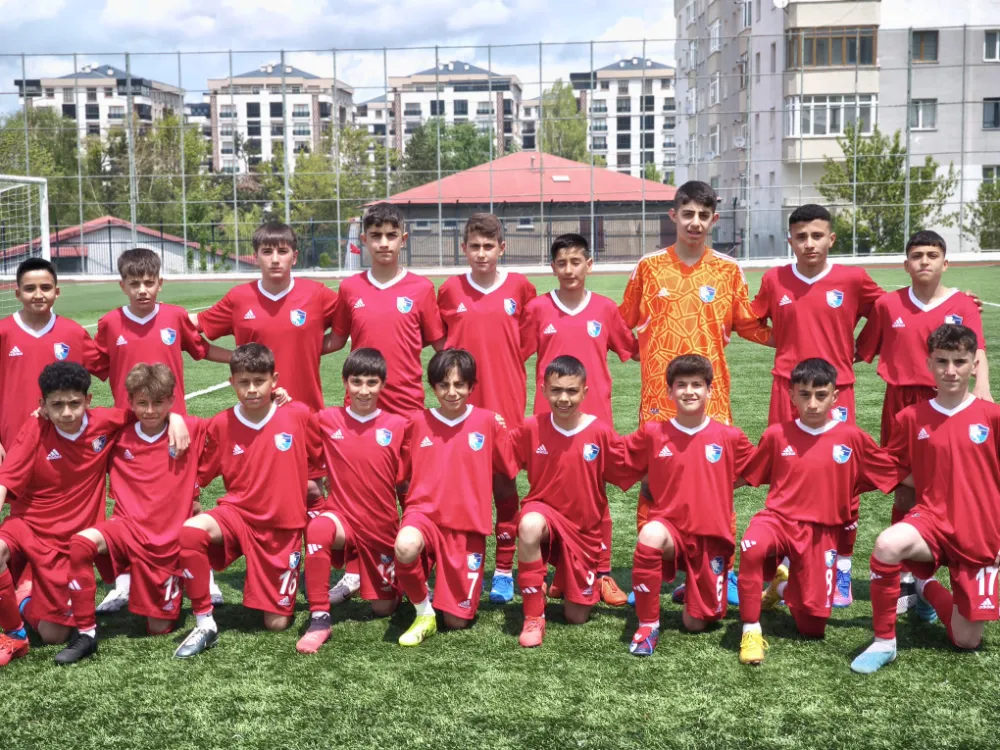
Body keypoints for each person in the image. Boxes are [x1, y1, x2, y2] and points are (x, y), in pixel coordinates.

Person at [620, 180, 772, 603]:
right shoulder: (650, 267)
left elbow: (749, 324)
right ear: (673, 216)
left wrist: (806, 336)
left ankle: (718, 567)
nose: (695, 222)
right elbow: (620, 322)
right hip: (659, 395)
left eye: (703, 215)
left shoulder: (727, 269)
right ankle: (652, 571)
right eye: (687, 214)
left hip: (711, 396)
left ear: (714, 219)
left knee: (715, 482)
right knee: (653, 480)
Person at [0, 361, 188, 666]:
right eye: (57, 405)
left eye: (74, 403)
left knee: (54, 635)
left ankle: (24, 593)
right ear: (43, 406)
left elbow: (145, 411)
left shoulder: (105, 422)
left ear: (88, 400)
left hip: (70, 539)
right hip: (28, 526)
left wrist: (176, 417)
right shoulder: (35, 428)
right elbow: (5, 481)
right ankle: (13, 633)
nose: (67, 413)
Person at [750, 204, 883, 606]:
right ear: (790, 240)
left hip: (835, 390)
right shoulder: (774, 279)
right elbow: (750, 320)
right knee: (785, 474)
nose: (809, 243)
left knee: (843, 480)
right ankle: (786, 564)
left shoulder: (853, 279)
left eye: (817, 235)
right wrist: (780, 341)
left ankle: (841, 566)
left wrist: (862, 349)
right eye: (801, 236)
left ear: (831, 239)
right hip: (786, 387)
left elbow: (887, 310)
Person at [852, 324, 1000, 674]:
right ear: (929, 364)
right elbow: (892, 464)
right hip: (932, 520)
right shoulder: (911, 418)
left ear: (974, 365)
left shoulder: (993, 417)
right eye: (942, 361)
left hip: (981, 532)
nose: (951, 370)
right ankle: (884, 642)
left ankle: (924, 585)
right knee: (887, 544)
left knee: (966, 640)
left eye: (959, 362)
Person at [736, 358, 904, 666]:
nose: (812, 404)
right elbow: (748, 474)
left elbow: (892, 472)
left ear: (835, 396)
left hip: (822, 534)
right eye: (804, 395)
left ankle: (781, 587)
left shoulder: (852, 438)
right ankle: (751, 630)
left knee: (812, 627)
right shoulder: (776, 435)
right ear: (791, 395)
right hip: (778, 520)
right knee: (752, 546)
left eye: (821, 395)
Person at [89, 247, 230, 612]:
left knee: (188, 501)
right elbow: (94, 364)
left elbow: (201, 349)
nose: (142, 290)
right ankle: (123, 583)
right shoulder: (109, 323)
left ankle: (203, 577)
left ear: (160, 283)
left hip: (175, 426)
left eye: (149, 282)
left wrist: (239, 358)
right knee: (126, 505)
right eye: (134, 283)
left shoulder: (175, 316)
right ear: (122, 285)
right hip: (128, 429)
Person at [856, 230, 989, 612]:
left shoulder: (963, 303)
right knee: (904, 487)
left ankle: (948, 568)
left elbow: (977, 350)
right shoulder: (888, 305)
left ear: (945, 263)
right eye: (917, 255)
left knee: (949, 485)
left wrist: (983, 389)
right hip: (901, 405)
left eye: (932, 255)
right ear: (906, 264)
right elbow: (860, 349)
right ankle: (906, 577)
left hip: (946, 400)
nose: (924, 261)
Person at [321, 202, 445, 606]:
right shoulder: (350, 289)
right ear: (364, 240)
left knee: (410, 491)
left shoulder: (421, 289)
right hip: (359, 411)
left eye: (391, 235)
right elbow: (336, 340)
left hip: (407, 410)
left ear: (403, 240)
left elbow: (440, 345)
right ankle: (356, 570)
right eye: (376, 236)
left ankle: (416, 570)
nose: (384, 243)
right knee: (359, 495)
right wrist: (287, 352)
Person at [55, 364, 209, 664]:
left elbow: (237, 425)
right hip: (125, 528)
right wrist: (41, 413)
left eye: (158, 402)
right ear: (130, 402)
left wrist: (177, 419)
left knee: (158, 629)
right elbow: (76, 422)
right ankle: (86, 633)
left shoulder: (190, 428)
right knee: (81, 544)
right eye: (142, 403)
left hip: (165, 542)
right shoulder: (117, 434)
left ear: (171, 400)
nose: (150, 411)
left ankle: (160, 587)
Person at [173, 343, 318, 659]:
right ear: (232, 382)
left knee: (276, 624)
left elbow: (319, 464)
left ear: (274, 380)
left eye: (259, 381)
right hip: (237, 515)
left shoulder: (297, 415)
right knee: (191, 532)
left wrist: (315, 509)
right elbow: (200, 473)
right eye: (243, 382)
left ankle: (277, 590)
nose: (252, 389)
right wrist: (191, 497)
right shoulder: (221, 423)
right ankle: (205, 623)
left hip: (281, 528)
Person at [522, 234, 637, 606]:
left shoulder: (605, 309)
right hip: (550, 420)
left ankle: (601, 573)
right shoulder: (538, 309)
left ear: (590, 265)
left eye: (576, 262)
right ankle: (558, 571)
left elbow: (632, 349)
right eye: (562, 263)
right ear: (552, 267)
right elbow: (513, 354)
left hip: (595, 418)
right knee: (549, 493)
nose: (569, 270)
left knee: (596, 496)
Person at [617, 355, 755, 656]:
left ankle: (693, 587)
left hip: (710, 536)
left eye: (696, 385)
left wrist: (723, 484)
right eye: (681, 385)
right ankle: (648, 625)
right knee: (649, 534)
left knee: (697, 623)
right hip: (670, 530)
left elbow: (759, 467)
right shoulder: (653, 433)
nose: (689, 391)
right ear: (669, 392)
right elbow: (618, 457)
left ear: (710, 391)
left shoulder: (729, 436)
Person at [194, 222, 337, 508]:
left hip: (305, 412)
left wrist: (309, 347)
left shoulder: (318, 294)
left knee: (310, 491)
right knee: (259, 494)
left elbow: (347, 328)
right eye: (267, 251)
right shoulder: (239, 298)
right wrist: (235, 359)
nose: (275, 259)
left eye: (282, 251)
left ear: (294, 256)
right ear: (256, 256)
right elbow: (193, 328)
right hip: (255, 415)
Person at [437, 213, 537, 605]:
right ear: (463, 248)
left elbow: (526, 340)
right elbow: (441, 345)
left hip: (505, 400)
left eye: (489, 246)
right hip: (459, 404)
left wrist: (505, 365)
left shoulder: (520, 287)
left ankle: (505, 571)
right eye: (474, 246)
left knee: (504, 485)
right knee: (460, 487)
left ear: (502, 248)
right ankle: (463, 564)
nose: (482, 254)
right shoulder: (449, 290)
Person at [392, 349, 518, 646]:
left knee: (457, 622)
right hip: (425, 517)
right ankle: (424, 612)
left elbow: (506, 484)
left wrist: (504, 557)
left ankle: (449, 590)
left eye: (459, 384)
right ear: (433, 387)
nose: (451, 392)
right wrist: (410, 516)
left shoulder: (488, 422)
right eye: (443, 385)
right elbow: (402, 477)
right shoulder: (417, 422)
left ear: (472, 386)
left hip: (466, 526)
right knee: (405, 545)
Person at [508, 355, 634, 647]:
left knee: (577, 616)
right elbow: (498, 455)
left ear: (585, 392)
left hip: (583, 530)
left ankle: (564, 578)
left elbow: (629, 465)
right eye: (556, 390)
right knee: (528, 525)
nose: (563, 398)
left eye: (571, 391)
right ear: (543, 390)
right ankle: (534, 616)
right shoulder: (531, 428)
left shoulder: (600, 432)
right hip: (544, 514)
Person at [297, 348, 409, 654]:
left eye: (372, 382)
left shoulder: (398, 425)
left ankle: (373, 575)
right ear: (345, 382)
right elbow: (293, 428)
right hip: (342, 519)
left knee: (384, 608)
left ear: (383, 384)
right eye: (356, 381)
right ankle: (319, 619)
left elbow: (405, 481)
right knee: (318, 529)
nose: (363, 390)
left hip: (381, 526)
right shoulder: (326, 419)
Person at [0, 258, 94, 611]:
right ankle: (21, 580)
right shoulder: (4, 332)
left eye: (44, 287)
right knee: (20, 511)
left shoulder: (73, 333)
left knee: (52, 511)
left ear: (57, 291)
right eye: (29, 288)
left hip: (63, 443)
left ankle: (37, 581)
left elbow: (106, 367)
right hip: (13, 443)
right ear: (16, 293)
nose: (37, 294)